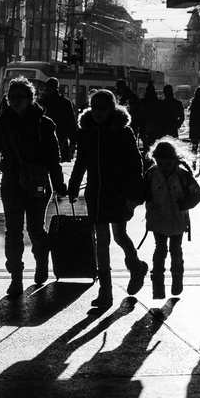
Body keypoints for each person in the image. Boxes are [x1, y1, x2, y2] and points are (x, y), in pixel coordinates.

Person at [0, 78, 67, 297]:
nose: (15, 101)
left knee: (35, 228)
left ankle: (41, 260)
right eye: (11, 97)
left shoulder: (44, 124)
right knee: (13, 231)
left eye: (20, 97)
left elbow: (54, 159)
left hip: (38, 183)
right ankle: (16, 277)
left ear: (31, 98)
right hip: (12, 182)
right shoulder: (2, 123)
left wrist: (60, 185)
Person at [68, 88, 148, 310]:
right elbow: (81, 162)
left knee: (120, 236)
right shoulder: (87, 132)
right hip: (95, 193)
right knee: (101, 242)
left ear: (112, 109)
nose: (97, 112)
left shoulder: (123, 132)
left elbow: (135, 166)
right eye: (94, 107)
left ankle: (136, 267)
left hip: (118, 194)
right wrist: (73, 186)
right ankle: (106, 291)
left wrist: (134, 195)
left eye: (102, 108)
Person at [141, 139, 200, 298]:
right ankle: (158, 285)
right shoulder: (151, 175)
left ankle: (177, 279)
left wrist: (184, 205)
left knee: (176, 250)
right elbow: (143, 192)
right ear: (155, 161)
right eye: (160, 164)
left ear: (174, 160)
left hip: (177, 219)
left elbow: (196, 193)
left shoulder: (183, 175)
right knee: (160, 250)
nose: (164, 168)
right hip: (158, 218)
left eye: (168, 164)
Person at [39, 76, 79, 161]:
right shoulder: (65, 102)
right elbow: (71, 123)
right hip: (61, 138)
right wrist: (73, 141)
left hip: (45, 139)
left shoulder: (42, 102)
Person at [136, 84, 163, 153]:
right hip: (155, 126)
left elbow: (140, 115)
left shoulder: (143, 102)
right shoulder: (158, 102)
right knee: (154, 143)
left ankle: (146, 158)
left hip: (145, 126)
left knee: (145, 145)